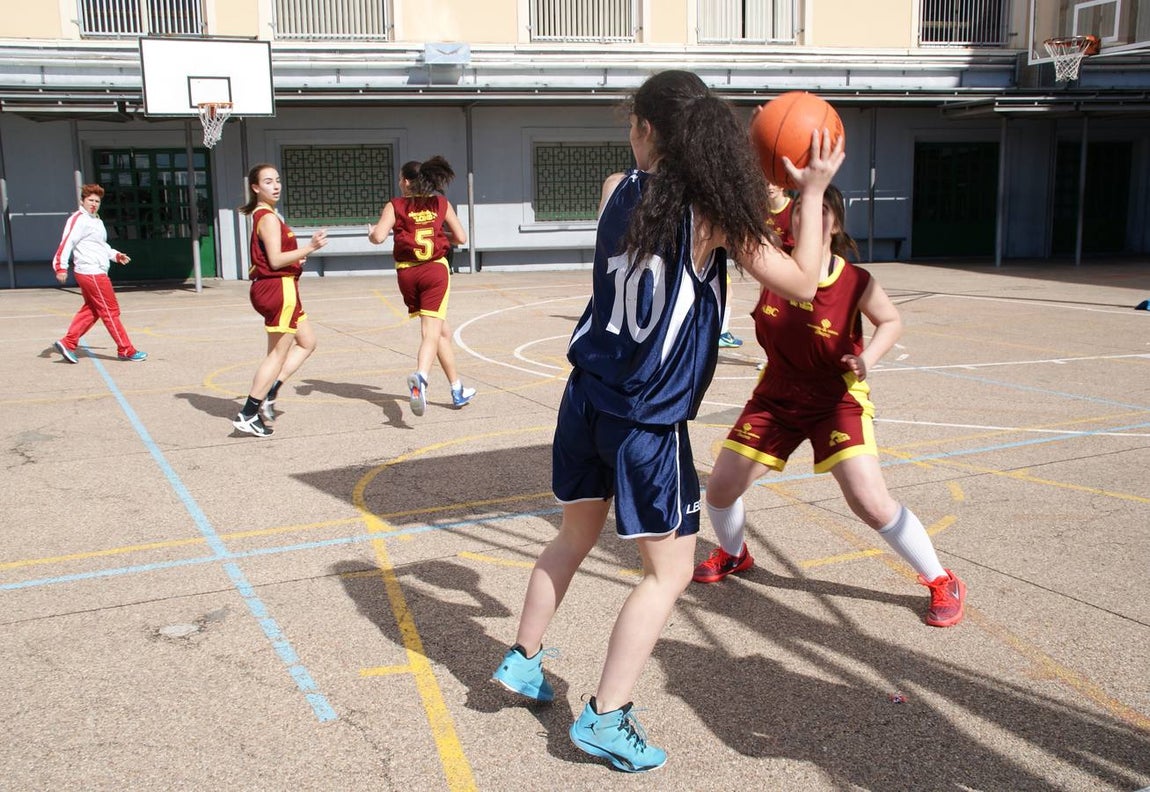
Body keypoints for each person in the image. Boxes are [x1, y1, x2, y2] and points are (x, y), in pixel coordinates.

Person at [489, 69, 844, 773]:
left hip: (585, 396)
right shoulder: (714, 219)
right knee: (668, 574)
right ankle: (606, 716)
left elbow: (667, 212)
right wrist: (806, 194)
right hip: (645, 420)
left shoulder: (615, 192)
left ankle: (522, 659)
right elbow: (806, 281)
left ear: (648, 131)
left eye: (631, 123)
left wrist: (755, 200)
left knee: (573, 535)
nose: (629, 134)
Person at [691, 184, 967, 629]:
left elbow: (891, 320)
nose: (805, 220)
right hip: (777, 394)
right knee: (721, 487)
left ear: (834, 224)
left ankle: (941, 579)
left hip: (835, 398)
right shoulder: (772, 263)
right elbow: (756, 208)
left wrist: (867, 359)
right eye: (798, 212)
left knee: (869, 502)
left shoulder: (854, 280)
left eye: (818, 213)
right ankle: (734, 554)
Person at [368, 156, 476, 416]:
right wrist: (438, 232)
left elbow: (379, 237)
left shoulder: (395, 205)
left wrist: (371, 232)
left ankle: (457, 388)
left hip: (407, 274)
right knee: (430, 333)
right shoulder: (440, 203)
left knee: (441, 333)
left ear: (405, 182)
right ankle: (421, 377)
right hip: (434, 271)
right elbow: (461, 238)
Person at [232, 163, 328, 438]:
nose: (275, 186)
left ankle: (271, 387)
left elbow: (274, 257)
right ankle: (248, 413)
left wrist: (297, 257)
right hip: (277, 289)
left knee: (307, 341)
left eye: (277, 180)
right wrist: (309, 247)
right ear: (255, 187)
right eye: (267, 182)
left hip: (280, 286)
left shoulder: (267, 215)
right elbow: (274, 260)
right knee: (277, 354)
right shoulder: (268, 218)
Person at [51, 183, 147, 363]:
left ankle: (68, 342)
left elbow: (100, 246)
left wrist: (115, 255)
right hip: (91, 272)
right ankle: (126, 349)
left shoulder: (96, 220)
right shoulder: (78, 219)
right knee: (111, 311)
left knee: (93, 309)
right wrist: (60, 266)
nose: (94, 204)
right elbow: (66, 243)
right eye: (90, 200)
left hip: (95, 271)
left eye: (97, 201)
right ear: (83, 201)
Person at [766, 180, 795, 253]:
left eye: (774, 183)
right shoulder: (761, 208)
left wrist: (777, 243)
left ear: (782, 186)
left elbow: (793, 246)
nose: (770, 187)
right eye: (767, 184)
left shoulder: (793, 209)